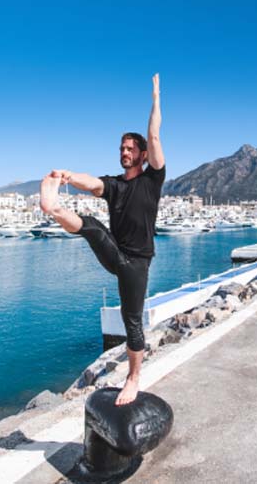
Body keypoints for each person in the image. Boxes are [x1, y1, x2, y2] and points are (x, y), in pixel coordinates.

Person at [39, 73, 165, 406]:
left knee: (132, 320)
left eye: (129, 148)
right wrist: (67, 176)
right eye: (121, 148)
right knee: (92, 225)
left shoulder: (153, 179)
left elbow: (153, 133)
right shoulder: (115, 184)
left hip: (136, 264)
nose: (124, 152)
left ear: (141, 154)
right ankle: (52, 208)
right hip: (115, 253)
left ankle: (134, 377)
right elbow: (92, 183)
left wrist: (155, 97)